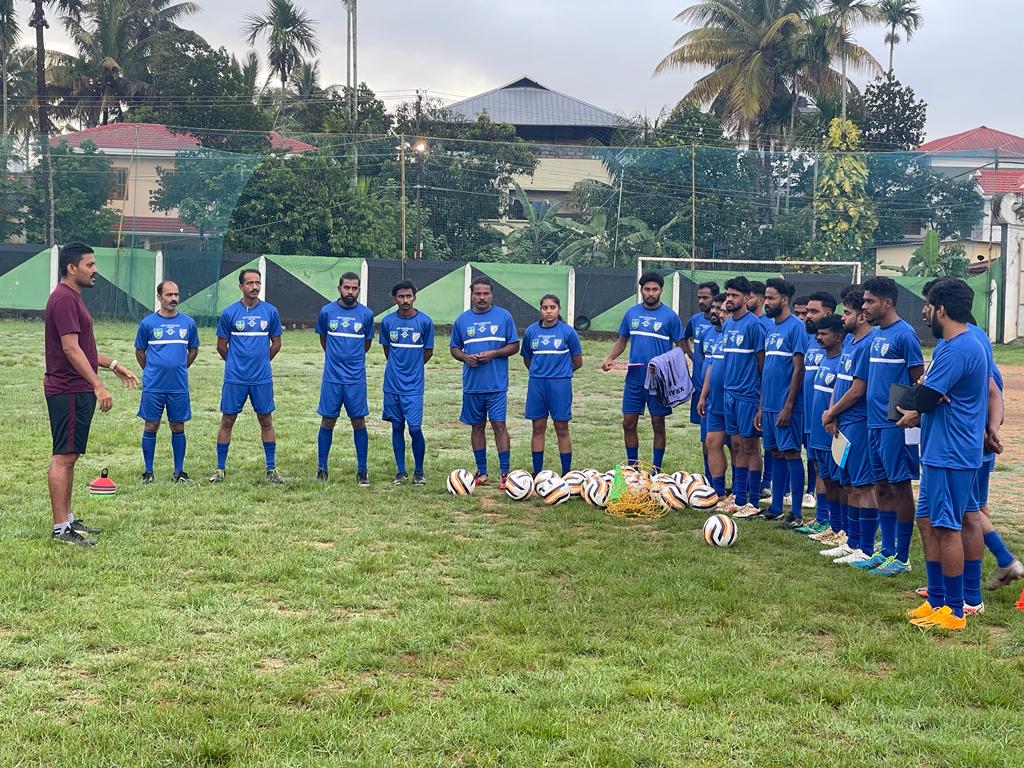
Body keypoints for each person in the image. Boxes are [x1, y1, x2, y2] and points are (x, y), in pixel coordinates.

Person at [900, 279, 988, 631]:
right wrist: (925, 395)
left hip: (952, 451)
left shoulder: (959, 348)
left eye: (927, 305)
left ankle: (954, 610)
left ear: (941, 309)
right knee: (929, 521)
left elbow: (919, 398)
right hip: (939, 449)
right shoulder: (951, 346)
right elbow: (924, 394)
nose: (924, 311)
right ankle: (935, 598)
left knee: (947, 527)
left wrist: (923, 398)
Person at [44, 242, 139, 546]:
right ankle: (61, 528)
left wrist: (112, 365)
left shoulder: (73, 298)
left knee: (71, 455)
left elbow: (82, 348)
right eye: (90, 265)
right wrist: (98, 385)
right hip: (68, 389)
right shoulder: (63, 299)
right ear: (72, 268)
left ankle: (68, 519)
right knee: (63, 456)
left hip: (76, 388)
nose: (95, 270)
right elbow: (70, 349)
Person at [859, 276, 924, 576]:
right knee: (880, 487)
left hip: (894, 425)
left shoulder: (905, 335)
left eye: (870, 301)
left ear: (887, 302)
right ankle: (885, 551)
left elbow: (918, 380)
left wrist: (909, 418)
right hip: (873, 423)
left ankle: (903, 556)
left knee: (899, 488)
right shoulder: (874, 336)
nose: (865, 306)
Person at [601, 272, 685, 472]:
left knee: (658, 423)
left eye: (654, 289)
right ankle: (633, 468)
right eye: (647, 289)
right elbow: (622, 340)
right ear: (641, 290)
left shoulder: (670, 317)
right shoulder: (631, 313)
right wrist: (610, 358)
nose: (651, 293)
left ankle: (656, 470)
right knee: (628, 423)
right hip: (634, 379)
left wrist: (670, 369)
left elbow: (679, 348)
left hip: (658, 381)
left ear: (661, 290)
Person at [820, 287, 878, 565]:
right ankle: (852, 541)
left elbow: (858, 390)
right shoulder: (853, 343)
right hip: (843, 423)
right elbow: (839, 383)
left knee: (862, 486)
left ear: (862, 316)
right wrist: (832, 414)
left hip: (859, 423)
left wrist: (833, 411)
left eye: (848, 312)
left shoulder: (868, 344)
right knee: (849, 485)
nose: (843, 317)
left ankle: (865, 547)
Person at [210, 268, 283, 484]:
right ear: (241, 286)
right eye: (250, 283)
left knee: (265, 420)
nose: (255, 287)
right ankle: (220, 469)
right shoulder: (230, 313)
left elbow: (276, 343)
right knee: (228, 420)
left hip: (261, 378)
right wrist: (236, 364)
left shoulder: (270, 312)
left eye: (257, 283)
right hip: (235, 378)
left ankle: (271, 470)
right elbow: (221, 346)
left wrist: (261, 361)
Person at [450, 276, 519, 488]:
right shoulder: (462, 320)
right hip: (472, 385)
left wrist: (495, 353)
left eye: (485, 293)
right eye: (477, 293)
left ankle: (505, 473)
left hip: (496, 385)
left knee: (499, 425)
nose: (481, 297)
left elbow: (514, 346)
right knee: (477, 427)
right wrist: (465, 357)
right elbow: (454, 348)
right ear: (471, 295)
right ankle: (482, 471)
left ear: (492, 295)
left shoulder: (504, 317)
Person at [134, 280, 199, 483]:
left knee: (178, 426)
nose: (173, 299)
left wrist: (178, 367)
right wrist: (153, 370)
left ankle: (179, 472)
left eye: (176, 295)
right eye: (169, 295)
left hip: (178, 385)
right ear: (159, 297)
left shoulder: (188, 323)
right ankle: (148, 472)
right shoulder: (148, 324)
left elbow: (193, 350)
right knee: (151, 425)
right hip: (154, 385)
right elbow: (140, 351)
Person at [314, 272, 375, 484]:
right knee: (328, 420)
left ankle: (362, 470)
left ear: (359, 290)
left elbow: (366, 344)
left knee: (358, 421)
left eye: (354, 288)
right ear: (339, 288)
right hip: (332, 378)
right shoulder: (327, 312)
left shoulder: (366, 315)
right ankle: (322, 468)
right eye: (347, 287)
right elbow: (324, 340)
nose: (350, 292)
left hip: (355, 379)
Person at [756, 278, 807, 527]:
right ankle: (775, 507)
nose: (766, 302)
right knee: (774, 453)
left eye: (771, 298)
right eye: (765, 298)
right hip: (769, 405)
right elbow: (768, 371)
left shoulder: (796, 328)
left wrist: (788, 406)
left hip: (787, 407)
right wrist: (762, 405)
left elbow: (799, 371)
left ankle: (796, 512)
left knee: (790, 453)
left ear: (784, 300)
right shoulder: (771, 328)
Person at [719, 276, 766, 519]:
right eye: (728, 294)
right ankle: (738, 497)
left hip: (748, 396)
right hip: (729, 395)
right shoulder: (727, 325)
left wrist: (760, 402)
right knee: (736, 446)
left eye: (735, 295)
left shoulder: (754, 326)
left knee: (750, 447)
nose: (729, 299)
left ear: (746, 299)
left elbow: (762, 366)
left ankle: (754, 501)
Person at [379, 281, 434, 484]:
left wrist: (413, 369)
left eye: (409, 296)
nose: (405, 300)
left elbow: (427, 352)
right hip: (392, 385)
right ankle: (401, 471)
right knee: (396, 426)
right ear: (395, 299)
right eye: (401, 297)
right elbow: (387, 350)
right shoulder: (387, 322)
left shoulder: (425, 322)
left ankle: (419, 471)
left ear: (414, 297)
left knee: (414, 428)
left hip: (413, 387)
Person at [521, 294, 583, 476]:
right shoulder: (531, 331)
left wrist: (560, 373)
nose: (549, 311)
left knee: (561, 427)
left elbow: (577, 361)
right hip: (537, 384)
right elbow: (527, 358)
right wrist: (539, 372)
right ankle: (537, 472)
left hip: (560, 385)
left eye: (553, 307)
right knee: (537, 427)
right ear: (540, 310)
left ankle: (566, 473)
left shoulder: (568, 332)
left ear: (559, 309)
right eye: (545, 308)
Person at [796, 291, 838, 532]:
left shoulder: (837, 347)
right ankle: (822, 518)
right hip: (812, 417)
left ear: (828, 314)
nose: (807, 316)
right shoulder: (813, 339)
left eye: (812, 312)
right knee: (819, 466)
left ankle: (835, 521)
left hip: (829, 420)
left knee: (832, 472)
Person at [804, 315, 847, 545]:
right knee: (827, 478)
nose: (818, 337)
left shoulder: (842, 362)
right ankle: (833, 525)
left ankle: (844, 530)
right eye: (818, 334)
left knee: (839, 482)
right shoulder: (824, 361)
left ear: (838, 336)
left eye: (824, 334)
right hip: (817, 431)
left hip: (833, 432)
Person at [696, 293, 730, 503]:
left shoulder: (739, 332)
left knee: (738, 446)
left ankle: (740, 490)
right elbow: (709, 365)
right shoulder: (710, 334)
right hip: (712, 399)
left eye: (723, 309)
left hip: (736, 397)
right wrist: (703, 395)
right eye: (716, 308)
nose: (718, 312)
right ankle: (717, 490)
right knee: (710, 442)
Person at [683, 281, 719, 477]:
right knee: (705, 437)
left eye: (706, 297)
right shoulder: (696, 320)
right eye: (699, 298)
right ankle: (709, 475)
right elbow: (683, 337)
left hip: (720, 390)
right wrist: (690, 354)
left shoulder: (724, 325)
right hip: (699, 387)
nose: (701, 301)